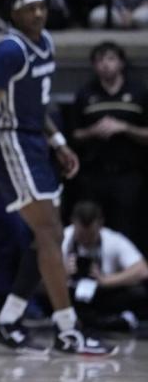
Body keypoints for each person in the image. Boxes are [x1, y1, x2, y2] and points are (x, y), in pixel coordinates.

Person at [0, 0, 115, 355]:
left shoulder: (46, 41)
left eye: (42, 7)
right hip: (10, 140)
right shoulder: (8, 50)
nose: (38, 14)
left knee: (47, 236)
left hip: (34, 137)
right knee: (49, 234)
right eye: (30, 8)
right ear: (14, 13)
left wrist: (59, 142)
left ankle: (8, 318)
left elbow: (37, 105)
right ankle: (68, 330)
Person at [71, 41, 148, 242]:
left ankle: (131, 271)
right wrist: (93, 131)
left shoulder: (139, 93)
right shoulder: (85, 94)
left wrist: (124, 127)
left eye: (111, 58)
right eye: (99, 60)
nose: (105, 64)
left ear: (121, 63)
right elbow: (73, 135)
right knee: (93, 227)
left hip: (128, 175)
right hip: (94, 175)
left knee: (129, 228)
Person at [62, 201, 147, 331]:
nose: (85, 240)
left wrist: (106, 280)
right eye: (81, 235)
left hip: (103, 294)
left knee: (138, 292)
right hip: (69, 294)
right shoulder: (62, 238)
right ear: (73, 222)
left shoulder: (113, 239)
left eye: (90, 236)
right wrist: (61, 274)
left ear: (100, 225)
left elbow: (143, 270)